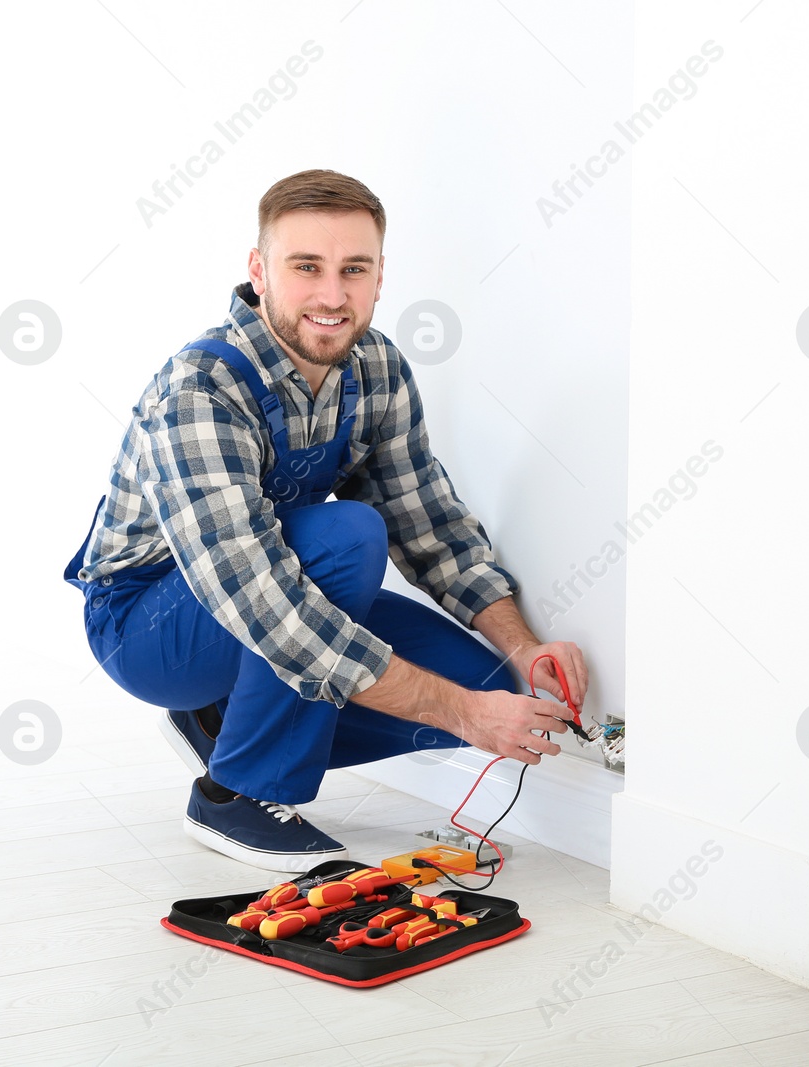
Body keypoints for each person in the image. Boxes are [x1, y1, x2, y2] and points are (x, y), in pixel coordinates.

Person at [63, 169, 587, 872]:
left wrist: (522, 648)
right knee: (348, 538)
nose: (333, 296)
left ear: (379, 278)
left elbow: (431, 527)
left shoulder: (375, 370)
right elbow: (261, 598)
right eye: (306, 267)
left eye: (354, 269)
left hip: (267, 597)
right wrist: (456, 712)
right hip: (149, 624)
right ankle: (235, 794)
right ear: (259, 270)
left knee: (489, 680)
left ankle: (224, 724)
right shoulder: (201, 390)